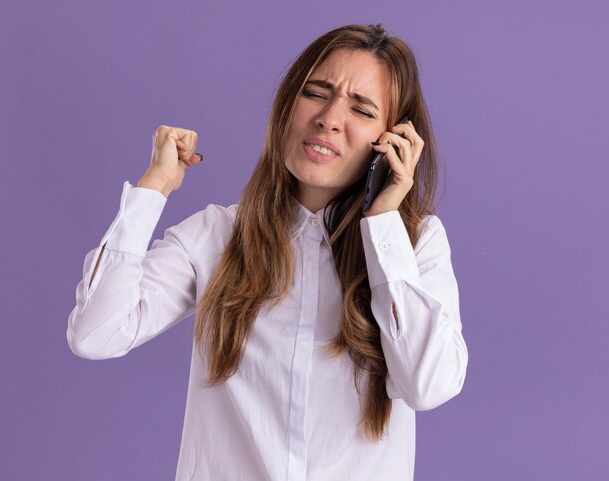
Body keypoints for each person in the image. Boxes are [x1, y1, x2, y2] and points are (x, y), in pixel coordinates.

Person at [67, 23, 468, 481]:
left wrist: (382, 225)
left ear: (393, 140)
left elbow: (428, 385)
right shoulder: (217, 235)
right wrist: (153, 188)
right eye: (317, 93)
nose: (330, 118)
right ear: (287, 108)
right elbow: (95, 334)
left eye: (361, 108)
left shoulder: (414, 245)